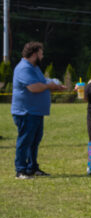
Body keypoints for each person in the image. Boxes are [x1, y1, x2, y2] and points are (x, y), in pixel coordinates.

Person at [11, 41, 67, 178]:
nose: (42, 56)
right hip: (26, 112)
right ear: (35, 54)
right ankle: (21, 170)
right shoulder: (24, 68)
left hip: (35, 112)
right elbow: (34, 88)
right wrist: (50, 86)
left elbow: (42, 82)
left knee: (34, 142)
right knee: (25, 141)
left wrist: (55, 86)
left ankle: (32, 168)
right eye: (41, 53)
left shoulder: (34, 67)